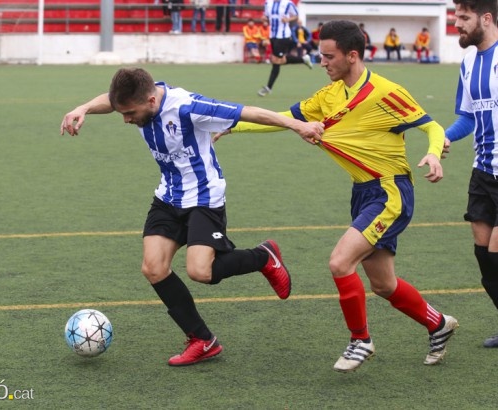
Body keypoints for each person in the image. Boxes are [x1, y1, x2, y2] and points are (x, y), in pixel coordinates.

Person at [215, 20, 458, 372]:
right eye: (321, 55)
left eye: (329, 56)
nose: (323, 62)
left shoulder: (385, 92)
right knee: (383, 284)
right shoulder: (328, 96)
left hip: (389, 191)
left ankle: (360, 340)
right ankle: (438, 324)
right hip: (363, 192)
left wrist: (434, 152)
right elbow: (284, 119)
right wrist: (233, 124)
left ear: (352, 55)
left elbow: (431, 126)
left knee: (340, 261)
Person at [60, 67, 324, 367]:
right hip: (168, 198)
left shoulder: (186, 107)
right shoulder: (139, 98)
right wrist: (83, 108)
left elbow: (247, 111)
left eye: (130, 113)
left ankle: (263, 257)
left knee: (202, 272)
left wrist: (296, 126)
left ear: (150, 100)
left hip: (203, 199)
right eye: (122, 113)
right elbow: (111, 100)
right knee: (153, 268)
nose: (126, 120)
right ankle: (203, 340)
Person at [444, 0, 498, 348]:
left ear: (486, 18)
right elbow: (467, 116)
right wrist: (443, 139)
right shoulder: (467, 62)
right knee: (483, 257)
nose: (457, 24)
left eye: (463, 18)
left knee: (496, 253)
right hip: (482, 172)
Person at [257, 0, 313, 97]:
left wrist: (288, 20)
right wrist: (264, 18)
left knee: (277, 60)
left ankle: (268, 87)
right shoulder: (268, 3)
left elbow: (296, 15)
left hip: (283, 36)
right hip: (273, 35)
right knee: (278, 60)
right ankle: (303, 59)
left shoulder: (287, 3)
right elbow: (266, 16)